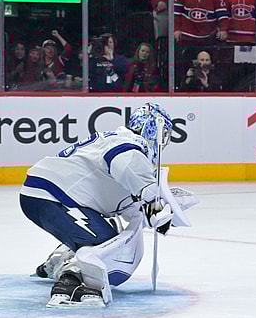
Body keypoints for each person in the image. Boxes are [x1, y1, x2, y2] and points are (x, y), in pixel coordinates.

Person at [20, 104, 193, 307]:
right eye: (163, 135)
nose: (163, 142)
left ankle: (61, 257)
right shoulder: (128, 144)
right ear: (152, 128)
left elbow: (128, 203)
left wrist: (153, 212)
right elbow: (124, 161)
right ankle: (71, 274)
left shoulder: (118, 140)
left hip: (50, 195)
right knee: (108, 251)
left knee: (111, 235)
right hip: (52, 196)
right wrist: (150, 196)